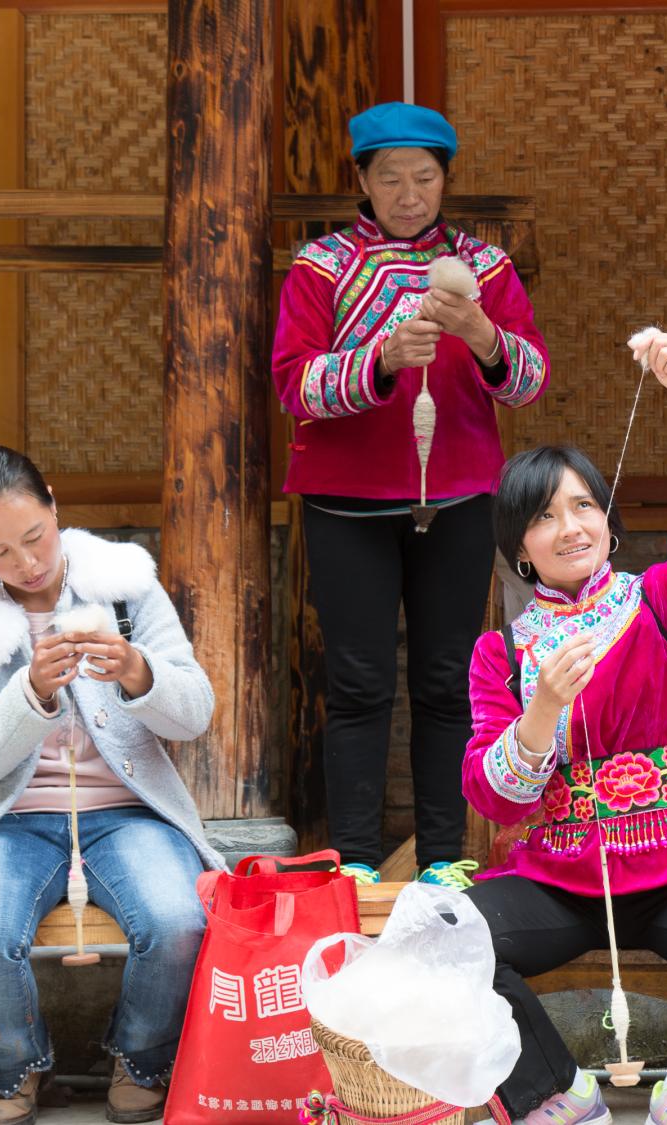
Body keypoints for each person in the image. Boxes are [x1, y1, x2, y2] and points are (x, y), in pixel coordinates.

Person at [462, 332, 667, 1125]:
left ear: (609, 524)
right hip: (561, 878)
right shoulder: (500, 653)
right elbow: (496, 798)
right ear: (521, 555)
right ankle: (554, 1092)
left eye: (584, 505)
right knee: (443, 938)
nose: (571, 525)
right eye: (545, 517)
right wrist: (540, 708)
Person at [0, 445, 221, 1125]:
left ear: (55, 505)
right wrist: (29, 692)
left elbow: (196, 713)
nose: (27, 562)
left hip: (129, 811)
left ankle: (143, 1058)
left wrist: (135, 670)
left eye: (35, 536)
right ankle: (18, 1070)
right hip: (3, 820)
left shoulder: (123, 583)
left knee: (179, 918)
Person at [272, 100, 549, 884]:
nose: (407, 192)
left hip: (460, 502)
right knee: (356, 683)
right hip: (346, 505)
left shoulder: (483, 271)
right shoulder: (321, 267)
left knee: (448, 680)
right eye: (389, 176)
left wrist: (482, 334)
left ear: (444, 182)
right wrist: (383, 358)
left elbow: (529, 381)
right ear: (360, 179)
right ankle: (355, 859)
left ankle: (444, 856)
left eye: (424, 177)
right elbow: (296, 387)